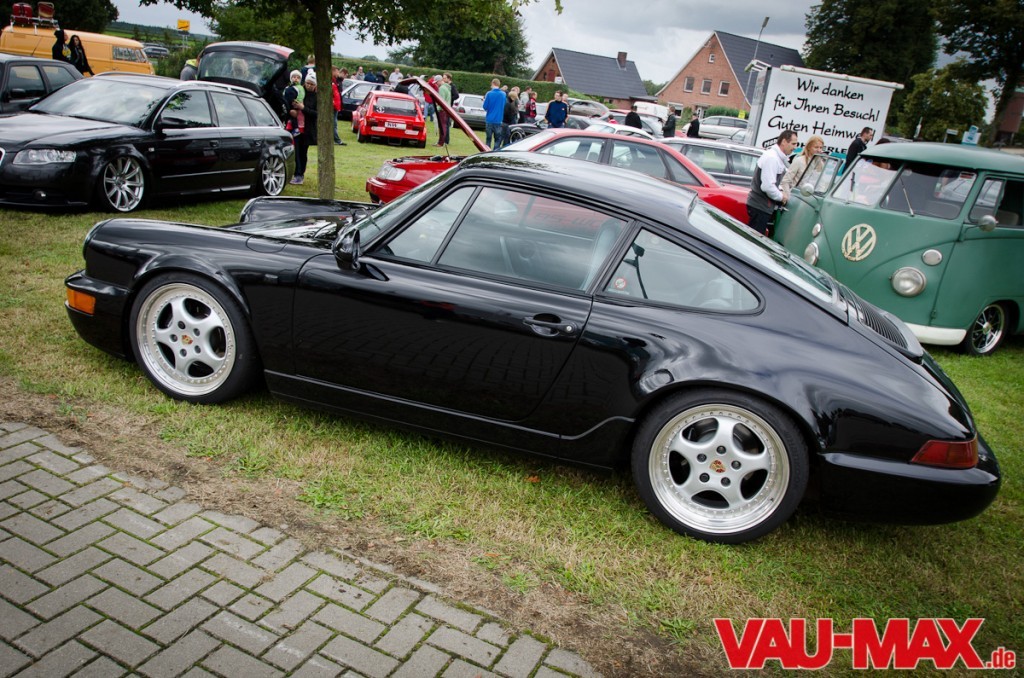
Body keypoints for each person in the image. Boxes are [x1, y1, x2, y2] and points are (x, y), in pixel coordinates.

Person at [746, 129, 799, 237]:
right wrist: (781, 197)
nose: (795, 147)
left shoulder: (776, 157)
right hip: (760, 206)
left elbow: (773, 183)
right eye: (793, 143)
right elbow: (767, 186)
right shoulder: (772, 158)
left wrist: (780, 191)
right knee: (753, 240)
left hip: (762, 206)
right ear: (784, 141)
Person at [290, 71, 318, 185]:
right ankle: (296, 173)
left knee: (302, 152)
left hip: (307, 129)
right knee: (295, 152)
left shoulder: (316, 97)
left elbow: (316, 114)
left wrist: (303, 108)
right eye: (307, 83)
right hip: (296, 126)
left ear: (315, 85)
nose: (309, 86)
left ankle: (300, 174)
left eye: (312, 84)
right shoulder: (299, 91)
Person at [482, 78, 505, 149]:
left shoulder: (489, 93)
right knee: (497, 139)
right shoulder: (503, 94)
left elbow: (485, 107)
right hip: (499, 119)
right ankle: (495, 150)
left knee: (488, 139)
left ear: (493, 83)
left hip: (490, 119)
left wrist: (484, 101)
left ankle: (487, 151)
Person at [283, 70, 306, 140]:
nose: (296, 79)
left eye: (298, 77)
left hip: (295, 104)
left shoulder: (300, 87)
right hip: (288, 105)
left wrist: (297, 101)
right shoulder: (287, 87)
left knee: (295, 117)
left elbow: (302, 95)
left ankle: (296, 128)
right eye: (294, 77)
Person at [435, 75, 451, 146]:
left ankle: (441, 142)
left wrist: (437, 108)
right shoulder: (447, 87)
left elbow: (441, 101)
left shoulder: (441, 88)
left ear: (440, 81)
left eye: (436, 82)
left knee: (442, 127)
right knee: (444, 126)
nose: (436, 84)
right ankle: (442, 141)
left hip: (442, 110)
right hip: (446, 110)